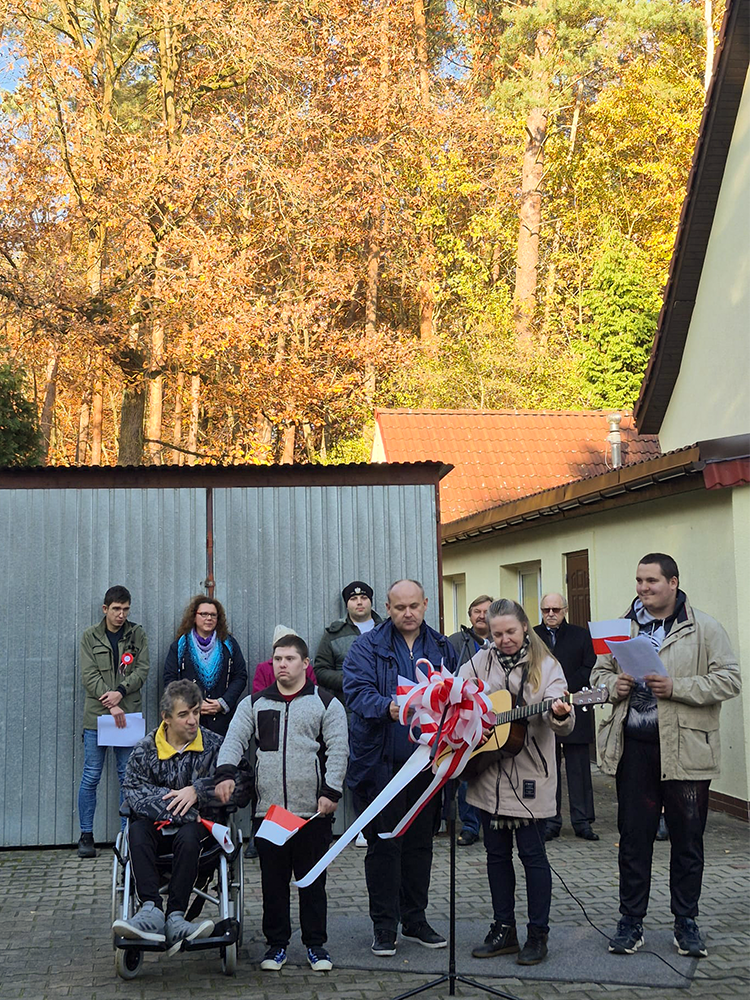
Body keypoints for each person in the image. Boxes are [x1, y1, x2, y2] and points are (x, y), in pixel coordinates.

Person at [592, 553, 741, 960]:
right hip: (635, 751)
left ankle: (686, 922)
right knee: (634, 840)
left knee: (687, 840)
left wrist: (676, 686)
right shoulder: (619, 628)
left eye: (651, 581)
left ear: (673, 583)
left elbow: (729, 680)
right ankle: (631, 922)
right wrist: (614, 686)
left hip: (686, 750)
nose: (642, 588)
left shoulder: (704, 627)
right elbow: (597, 676)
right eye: (639, 580)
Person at [215, 634, 348, 973]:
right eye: (277, 659)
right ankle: (276, 946)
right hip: (269, 812)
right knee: (273, 883)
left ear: (305, 664)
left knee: (312, 882)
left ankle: (316, 946)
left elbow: (338, 750)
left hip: (312, 813)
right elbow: (233, 742)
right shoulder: (255, 703)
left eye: (289, 659)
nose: (282, 665)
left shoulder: (326, 703)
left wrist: (331, 791)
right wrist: (225, 774)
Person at [343, 579, 457, 957]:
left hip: (428, 763)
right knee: (385, 845)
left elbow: (456, 693)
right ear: (387, 609)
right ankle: (384, 925)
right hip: (382, 763)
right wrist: (389, 707)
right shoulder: (366, 646)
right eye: (399, 608)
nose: (407, 614)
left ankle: (415, 918)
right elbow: (356, 692)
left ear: (425, 604)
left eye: (414, 606)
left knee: (421, 845)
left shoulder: (442, 647)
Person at [459, 598, 573, 966]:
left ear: (525, 626)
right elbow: (457, 694)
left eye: (510, 631)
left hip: (530, 779)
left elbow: (565, 722)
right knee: (495, 856)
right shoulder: (480, 660)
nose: (504, 639)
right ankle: (503, 929)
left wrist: (560, 713)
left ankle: (537, 934)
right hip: (487, 774)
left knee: (532, 856)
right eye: (497, 634)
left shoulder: (546, 665)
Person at [113, 680, 252, 954]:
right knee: (136, 831)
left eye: (196, 712)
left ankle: (176, 916)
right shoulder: (145, 749)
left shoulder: (216, 746)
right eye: (183, 714)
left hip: (199, 840)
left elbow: (244, 781)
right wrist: (182, 805)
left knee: (189, 836)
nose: (192, 721)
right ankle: (151, 910)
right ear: (166, 717)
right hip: (157, 835)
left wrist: (197, 791)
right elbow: (133, 790)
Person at [77, 585, 150, 858]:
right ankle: (86, 835)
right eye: (116, 609)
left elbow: (142, 669)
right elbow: (89, 675)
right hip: (97, 717)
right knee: (91, 775)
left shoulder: (136, 634)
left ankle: (126, 836)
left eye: (126, 609)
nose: (121, 615)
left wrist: (120, 693)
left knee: (126, 777)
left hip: (126, 716)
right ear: (105, 609)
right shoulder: (90, 637)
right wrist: (111, 702)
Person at [533, 593, 599, 842]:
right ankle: (550, 820)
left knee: (579, 768)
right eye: (546, 609)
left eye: (556, 609)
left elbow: (589, 666)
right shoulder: (532, 636)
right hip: (542, 709)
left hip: (576, 705)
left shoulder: (580, 635)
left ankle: (582, 821)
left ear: (565, 610)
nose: (551, 614)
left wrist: (564, 688)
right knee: (549, 769)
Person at [163, 595, 247, 738]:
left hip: (222, 721)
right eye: (204, 614)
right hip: (188, 722)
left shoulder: (229, 644)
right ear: (194, 617)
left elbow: (240, 675)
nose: (209, 618)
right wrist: (191, 706)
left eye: (213, 615)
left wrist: (223, 703)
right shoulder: (180, 646)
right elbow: (170, 679)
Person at [448, 594, 494, 846]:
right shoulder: (457, 642)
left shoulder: (501, 639)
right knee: (468, 770)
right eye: (476, 611)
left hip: (497, 711)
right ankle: (470, 825)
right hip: (467, 714)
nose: (481, 615)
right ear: (469, 616)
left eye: (486, 611)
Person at [315, 581, 383, 705]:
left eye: (364, 597)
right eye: (353, 598)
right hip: (349, 707)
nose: (359, 602)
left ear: (371, 602)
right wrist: (350, 680)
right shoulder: (334, 634)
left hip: (386, 706)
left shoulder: (388, 630)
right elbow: (321, 671)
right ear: (346, 604)